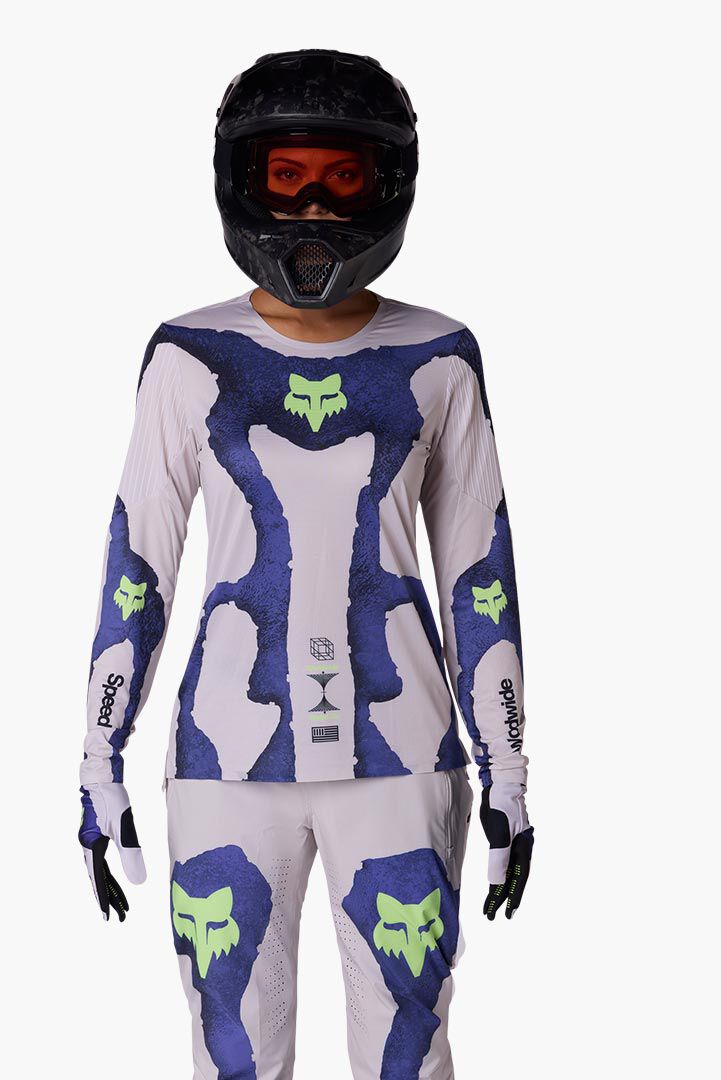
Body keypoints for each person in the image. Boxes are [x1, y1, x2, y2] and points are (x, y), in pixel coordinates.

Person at [76, 49, 535, 1079]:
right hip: (227, 766)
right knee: (232, 1052)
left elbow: (480, 571)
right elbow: (140, 560)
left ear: (387, 182)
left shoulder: (440, 356)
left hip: (402, 761)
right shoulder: (187, 355)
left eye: (342, 176)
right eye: (287, 177)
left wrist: (509, 771)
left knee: (409, 1053)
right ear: (244, 179)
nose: (316, 206)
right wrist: (98, 759)